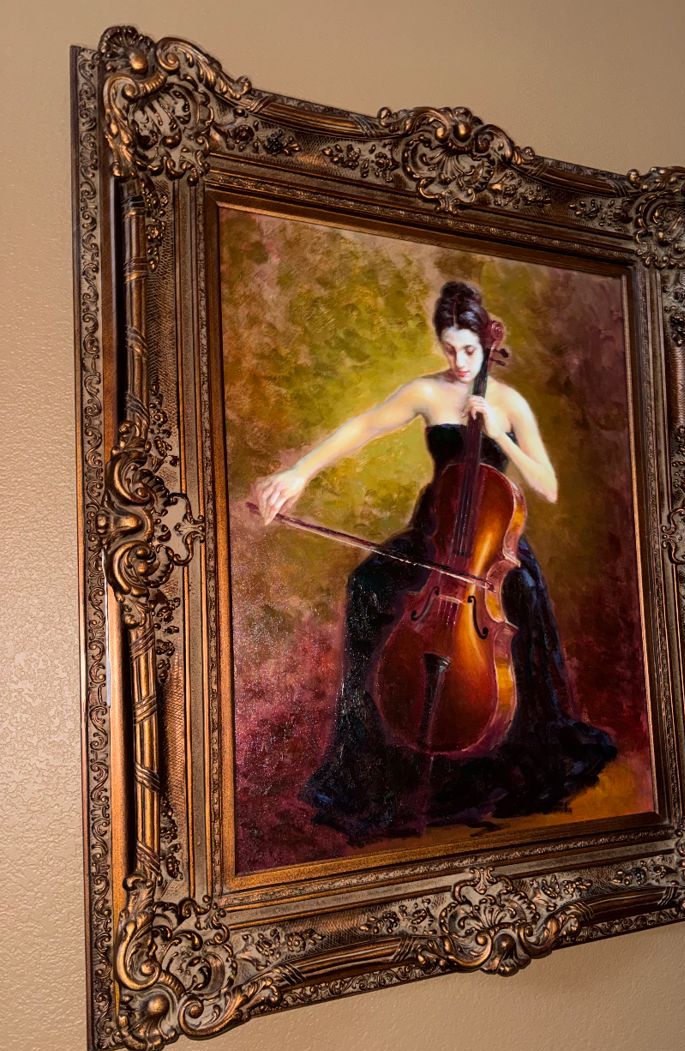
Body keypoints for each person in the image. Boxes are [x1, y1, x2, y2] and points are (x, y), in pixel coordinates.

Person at [253, 281, 616, 845]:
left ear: (486, 341)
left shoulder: (510, 402)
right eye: (449, 349)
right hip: (437, 534)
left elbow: (546, 486)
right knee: (368, 584)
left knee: (513, 611)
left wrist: (499, 436)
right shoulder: (426, 390)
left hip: (491, 547)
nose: (458, 361)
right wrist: (299, 472)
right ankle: (378, 756)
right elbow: (364, 426)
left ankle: (490, 753)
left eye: (468, 349)